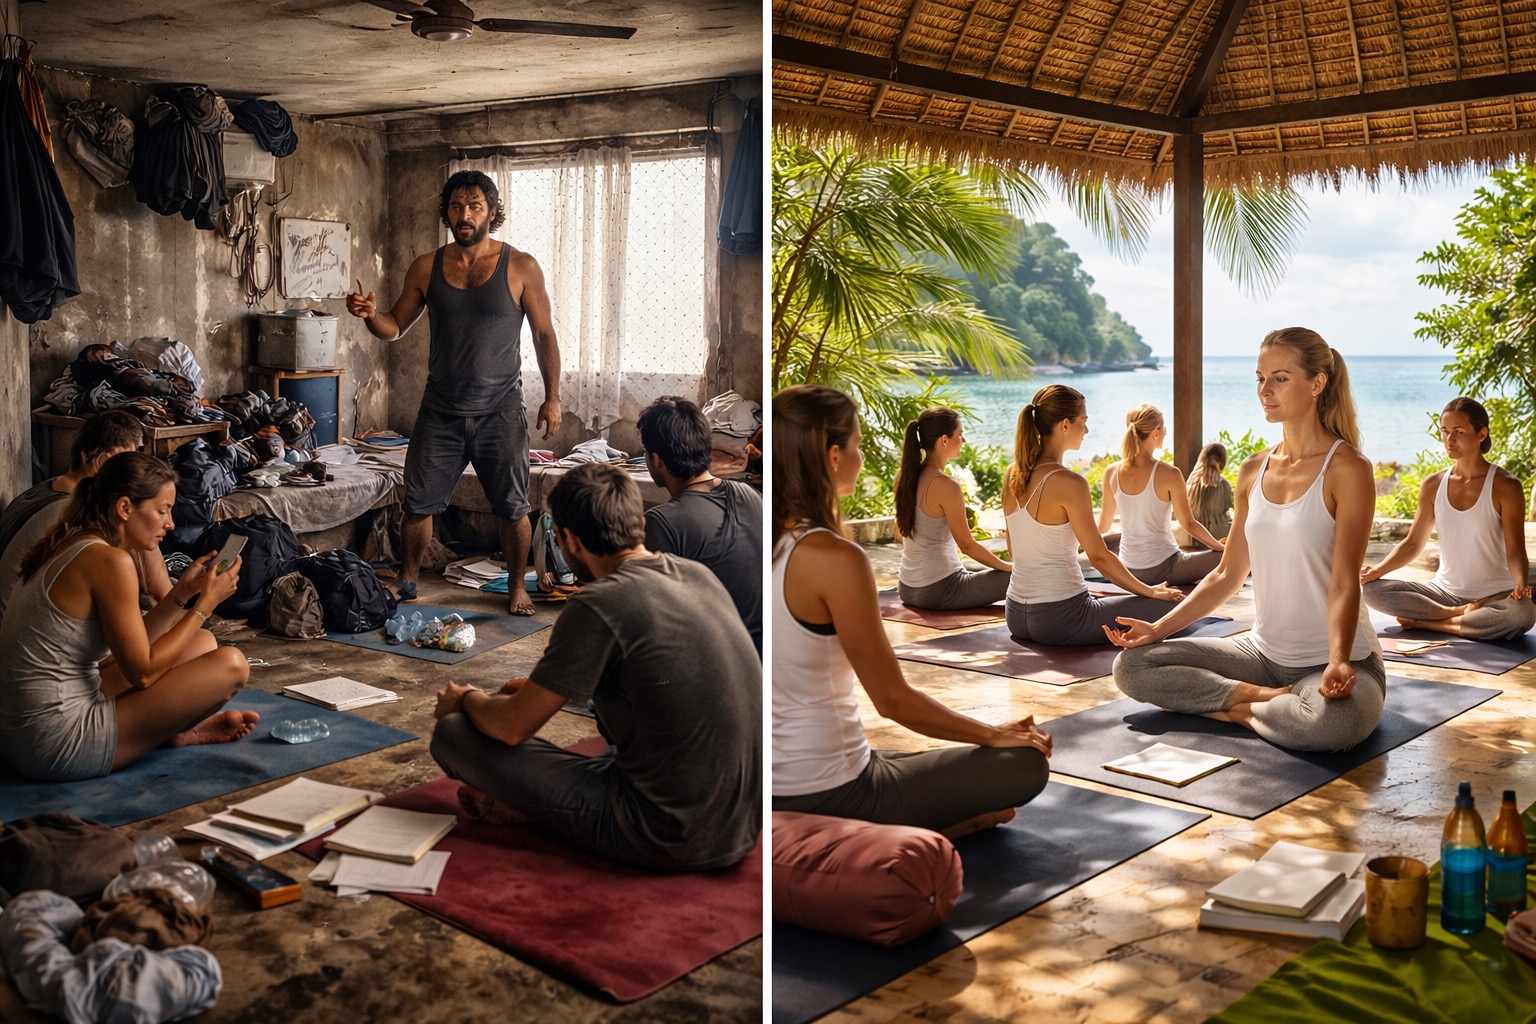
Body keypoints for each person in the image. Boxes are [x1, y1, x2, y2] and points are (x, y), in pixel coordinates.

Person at [429, 462, 759, 872]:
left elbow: (511, 727)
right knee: (616, 753)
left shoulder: (598, 602)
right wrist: (533, 691)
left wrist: (468, 699)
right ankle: (542, 806)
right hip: (744, 823)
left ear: (569, 539)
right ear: (639, 523)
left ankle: (542, 810)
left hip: (666, 835)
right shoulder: (696, 575)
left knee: (455, 734)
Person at [771, 385, 1050, 838]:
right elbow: (893, 701)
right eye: (857, 446)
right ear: (833, 456)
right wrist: (993, 733)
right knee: (1024, 763)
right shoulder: (835, 559)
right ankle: (939, 825)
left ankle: (948, 815)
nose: (862, 458)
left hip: (777, 780)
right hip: (833, 790)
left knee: (906, 758)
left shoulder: (765, 542)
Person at [1109, 327, 1384, 753]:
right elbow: (1226, 573)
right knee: (1132, 665)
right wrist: (1157, 629)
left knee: (1331, 727)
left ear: (1317, 383)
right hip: (1260, 656)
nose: (1265, 390)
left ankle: (1222, 705)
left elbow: (1345, 582)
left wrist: (1339, 660)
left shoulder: (1348, 468)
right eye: (1260, 378)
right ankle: (1251, 702)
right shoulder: (1253, 469)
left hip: (1336, 662)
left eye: (1279, 378)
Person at [346, 169, 562, 616]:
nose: (464, 215)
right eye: (456, 207)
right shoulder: (427, 266)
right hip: (440, 410)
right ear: (445, 211)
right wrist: (370, 316)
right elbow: (394, 327)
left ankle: (517, 588)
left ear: (493, 212)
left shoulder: (521, 265)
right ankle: (407, 580)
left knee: (513, 508)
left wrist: (553, 396)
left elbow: (544, 334)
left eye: (475, 207)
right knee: (418, 504)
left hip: (500, 411)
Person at [0, 452, 255, 782]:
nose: (171, 523)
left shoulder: (74, 540)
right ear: (124, 508)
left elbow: (130, 648)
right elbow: (143, 674)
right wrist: (205, 605)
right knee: (232, 664)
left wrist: (181, 595)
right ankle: (163, 732)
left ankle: (173, 731)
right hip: (53, 744)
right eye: (162, 510)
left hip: (18, 732)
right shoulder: (111, 562)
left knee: (202, 642)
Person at [1002, 384, 1182, 647]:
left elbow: (1013, 551)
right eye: (1083, 421)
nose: (1086, 430)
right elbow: (1099, 557)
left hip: (1015, 614)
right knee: (1180, 610)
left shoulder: (1012, 475)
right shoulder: (1070, 482)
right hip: (1061, 619)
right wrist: (1150, 591)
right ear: (1065, 425)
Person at [1360, 397, 1535, 639]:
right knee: (1371, 591)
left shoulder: (1506, 486)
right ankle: (1456, 614)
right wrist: (1376, 571)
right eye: (1445, 432)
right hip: (1443, 592)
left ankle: (1433, 624)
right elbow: (1413, 544)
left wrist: (1519, 584)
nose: (1449, 440)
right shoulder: (1433, 484)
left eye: (1459, 432)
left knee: (1522, 615)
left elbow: (1515, 550)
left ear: (1481, 434)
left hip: (1494, 595)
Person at [0, 411, 159, 624]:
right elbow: (154, 585)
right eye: (125, 464)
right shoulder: (75, 513)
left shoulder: (47, 488)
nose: (132, 474)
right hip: (24, 626)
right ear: (97, 459)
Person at [637, 395, 762, 654]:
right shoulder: (750, 495)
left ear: (656, 460)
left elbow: (654, 619)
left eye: (645, 453)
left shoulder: (661, 522)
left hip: (718, 664)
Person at [893, 407, 1012, 610]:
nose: (964, 441)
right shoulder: (946, 485)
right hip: (940, 590)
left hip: (907, 587)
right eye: (960, 434)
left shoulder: (906, 477)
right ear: (944, 440)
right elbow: (967, 545)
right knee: (1030, 576)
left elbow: (899, 534)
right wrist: (1008, 568)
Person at [1096, 405, 1225, 585]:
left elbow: (1102, 526)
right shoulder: (1169, 473)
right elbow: (1188, 523)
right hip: (1167, 568)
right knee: (1232, 555)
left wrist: (1076, 546)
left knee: (1116, 538)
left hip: (1127, 570)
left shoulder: (1111, 472)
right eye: (1163, 428)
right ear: (1155, 433)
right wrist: (1220, 547)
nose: (1165, 432)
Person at [1185, 443, 1233, 549]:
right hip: (1219, 538)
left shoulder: (1190, 482)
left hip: (1193, 538)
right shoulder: (1223, 483)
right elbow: (1226, 508)